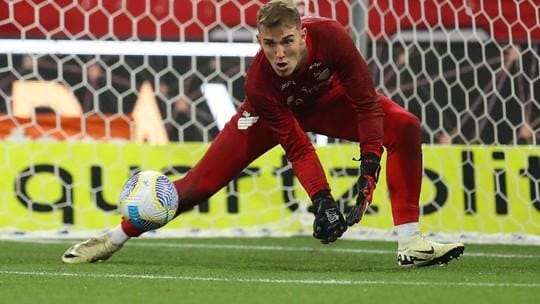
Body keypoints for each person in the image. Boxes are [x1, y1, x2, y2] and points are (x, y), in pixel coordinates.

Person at [62, 0, 464, 267]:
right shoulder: (259, 83)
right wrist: (323, 201)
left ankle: (410, 244)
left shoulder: (334, 37)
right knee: (198, 186)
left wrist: (369, 172)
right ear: (259, 42)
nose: (280, 53)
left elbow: (366, 104)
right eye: (270, 45)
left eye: (287, 42)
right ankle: (115, 236)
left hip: (329, 102)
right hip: (271, 114)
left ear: (302, 35)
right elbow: (297, 146)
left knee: (406, 126)